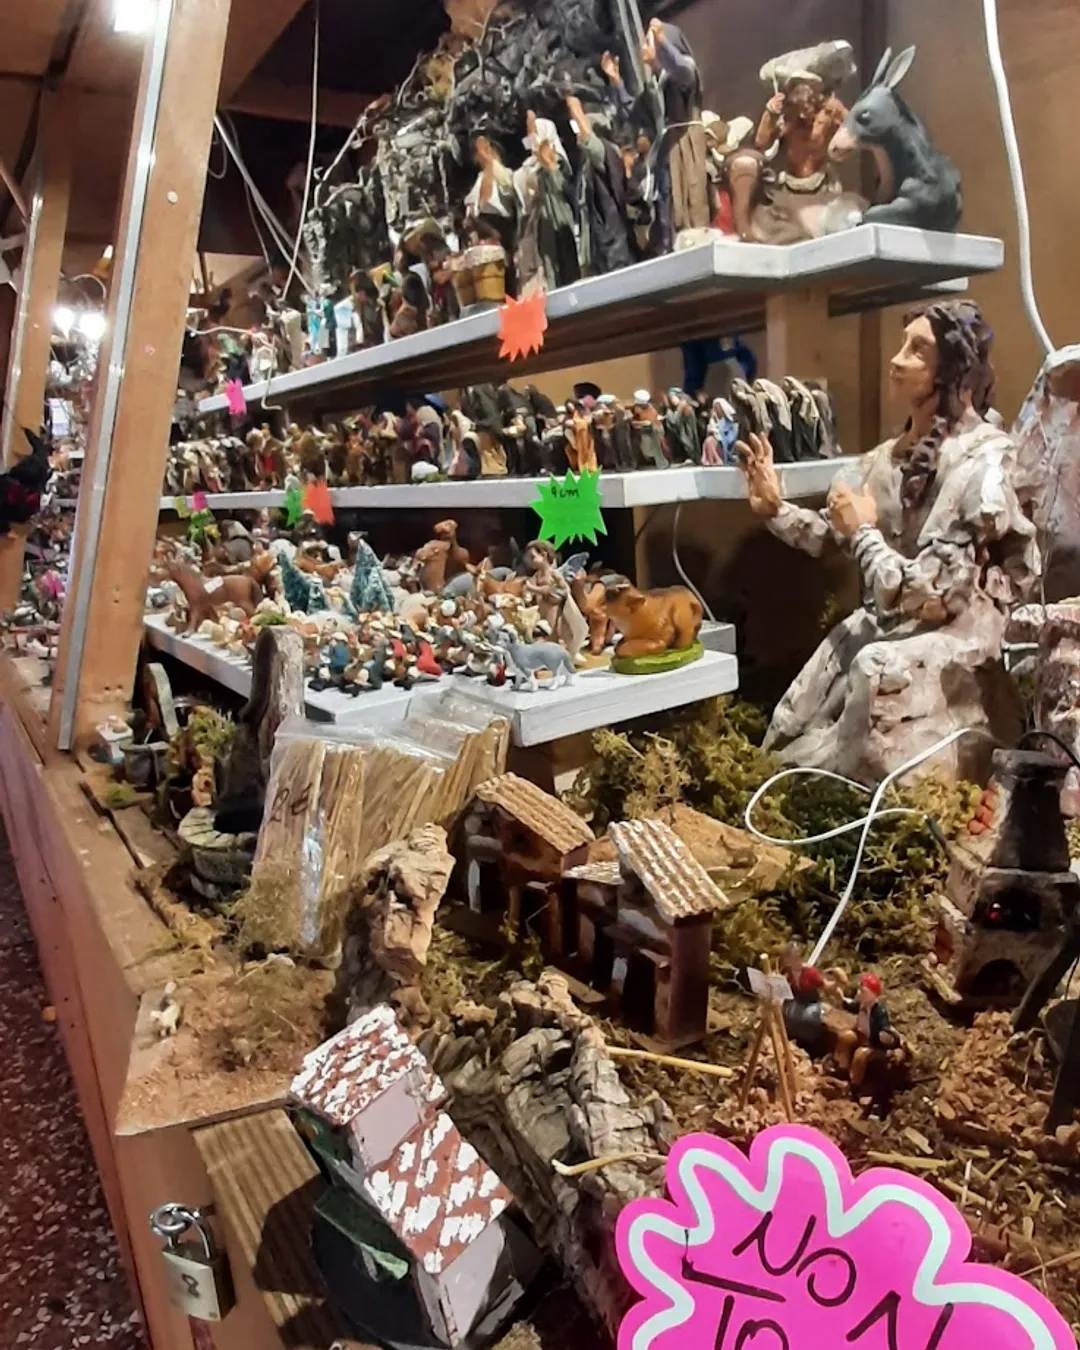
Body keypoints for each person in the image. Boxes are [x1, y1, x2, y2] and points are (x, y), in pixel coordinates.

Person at [737, 298, 1038, 784]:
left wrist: (864, 533)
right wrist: (776, 509)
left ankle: (854, 789)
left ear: (953, 371)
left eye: (917, 350)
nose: (897, 360)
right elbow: (832, 533)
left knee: (870, 673)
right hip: (886, 620)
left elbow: (935, 594)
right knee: (792, 721)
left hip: (954, 635)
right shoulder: (882, 460)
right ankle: (799, 787)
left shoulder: (983, 461)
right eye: (902, 345)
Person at [834, 973, 898, 1086]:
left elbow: (886, 1029)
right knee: (845, 1036)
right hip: (860, 1035)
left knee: (860, 1054)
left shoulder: (879, 1011)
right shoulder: (862, 1004)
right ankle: (841, 1067)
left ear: (872, 995)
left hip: (873, 1044)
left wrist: (886, 1037)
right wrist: (842, 999)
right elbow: (851, 1006)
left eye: (863, 991)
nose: (859, 993)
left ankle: (854, 1082)